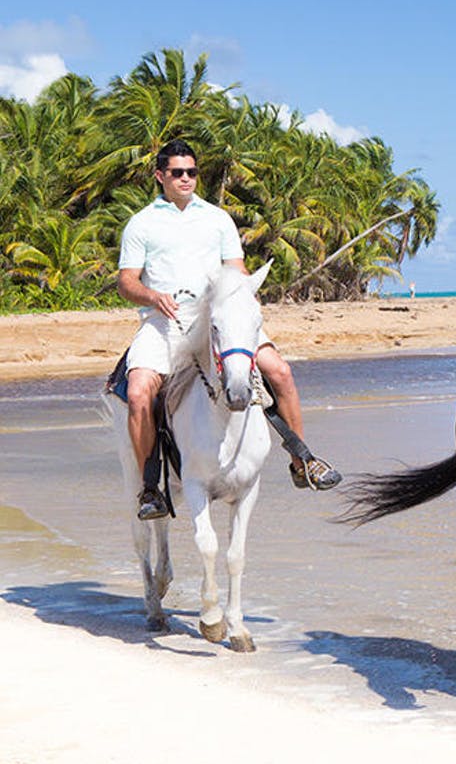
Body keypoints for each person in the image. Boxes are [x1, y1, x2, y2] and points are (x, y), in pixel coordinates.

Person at [117, 138, 341, 521]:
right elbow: (126, 282)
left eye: (191, 172)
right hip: (165, 322)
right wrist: (153, 297)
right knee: (138, 392)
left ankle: (302, 461)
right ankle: (150, 488)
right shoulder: (142, 223)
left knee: (280, 372)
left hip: (220, 319)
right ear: (160, 176)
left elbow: (235, 268)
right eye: (177, 173)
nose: (186, 179)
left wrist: (245, 300)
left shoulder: (217, 218)